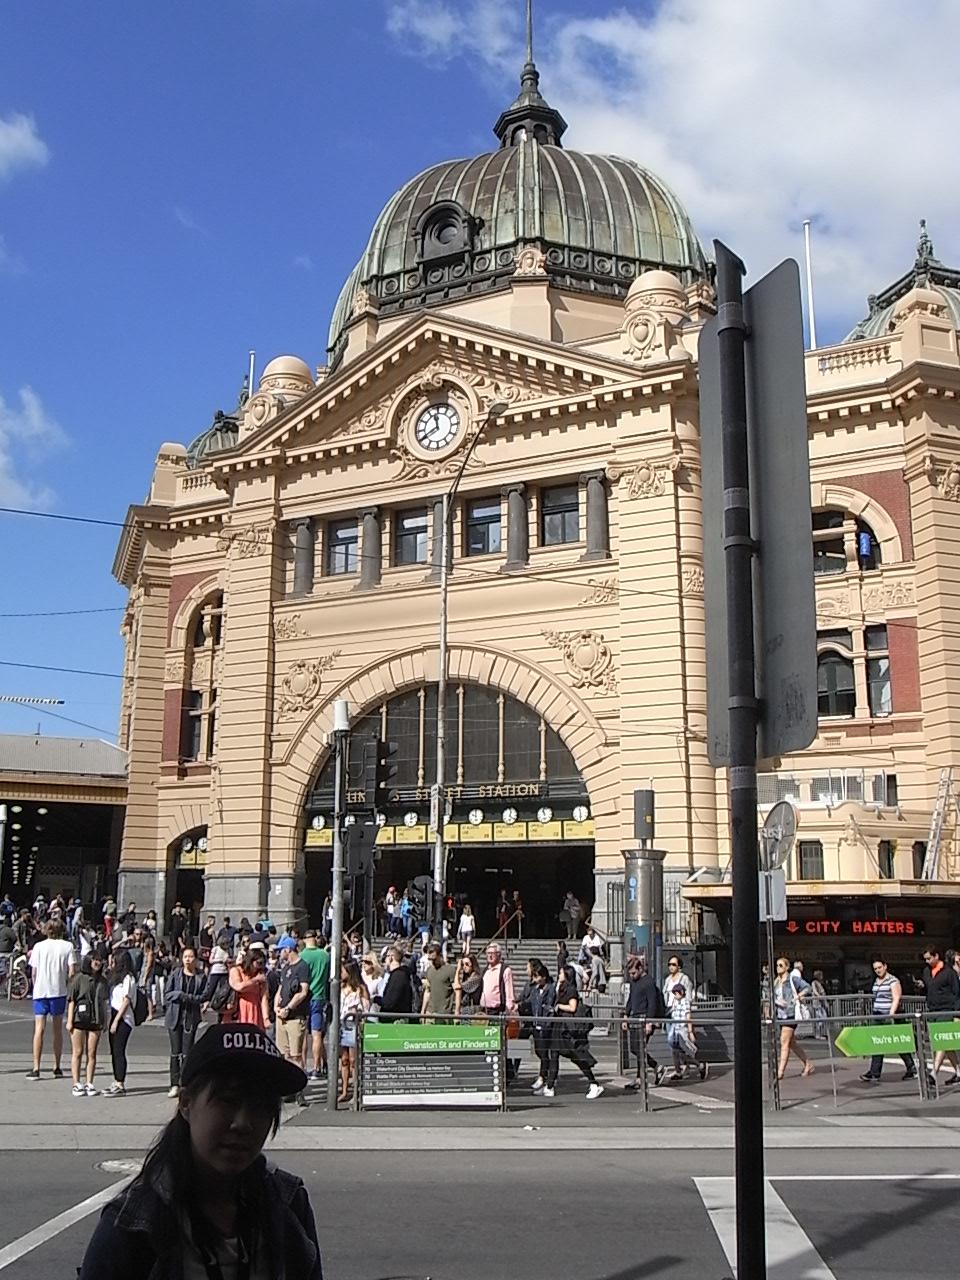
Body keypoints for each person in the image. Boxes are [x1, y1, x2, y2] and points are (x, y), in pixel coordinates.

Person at [78, 1022, 321, 1279]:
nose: (243, 1123)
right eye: (227, 1100)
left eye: (261, 1106)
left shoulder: (288, 1203)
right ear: (186, 1103)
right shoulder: (133, 1221)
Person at [538, 964, 603, 1099]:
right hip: (559, 1026)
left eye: (561, 973)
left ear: (567, 975)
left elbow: (573, 1007)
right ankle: (549, 1086)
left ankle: (594, 1083)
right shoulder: (561, 988)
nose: (559, 975)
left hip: (565, 1028)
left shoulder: (571, 990)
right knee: (554, 1054)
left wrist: (559, 1006)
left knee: (576, 1056)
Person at [26, 918, 76, 1080]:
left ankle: (36, 1067)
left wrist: (36, 986)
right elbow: (72, 971)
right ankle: (57, 1066)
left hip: (41, 991)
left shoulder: (38, 947)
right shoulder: (67, 946)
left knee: (39, 1029)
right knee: (57, 1030)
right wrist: (66, 982)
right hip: (58, 990)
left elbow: (34, 972)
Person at [859, 955, 917, 1085]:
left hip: (890, 1016)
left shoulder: (893, 980)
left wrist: (891, 1015)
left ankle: (911, 1068)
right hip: (877, 1015)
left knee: (898, 1043)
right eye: (875, 969)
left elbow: (896, 998)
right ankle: (874, 1072)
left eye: (879, 967)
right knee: (877, 1043)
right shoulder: (876, 981)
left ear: (885, 966)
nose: (878, 970)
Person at [66, 952, 110, 1096]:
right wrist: (70, 1021)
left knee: (92, 1053)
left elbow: (104, 1003)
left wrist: (105, 1021)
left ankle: (89, 1083)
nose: (97, 962)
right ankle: (76, 1083)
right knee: (77, 1052)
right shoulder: (79, 978)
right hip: (79, 1018)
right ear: (89, 961)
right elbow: (72, 1000)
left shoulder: (103, 981)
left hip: (95, 1019)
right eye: (95, 960)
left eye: (99, 960)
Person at [165, 946, 205, 1098]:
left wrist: (191, 998)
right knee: (175, 1052)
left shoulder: (200, 976)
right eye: (185, 957)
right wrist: (180, 995)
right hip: (175, 1016)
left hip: (190, 1016)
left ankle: (185, 1083)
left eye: (191, 956)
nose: (188, 959)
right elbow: (167, 994)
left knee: (187, 1052)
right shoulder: (176, 974)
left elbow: (204, 995)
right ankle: (174, 1084)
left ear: (196, 959)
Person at [622, 954, 667, 1090]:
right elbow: (631, 999)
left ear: (640, 969)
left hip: (644, 1018)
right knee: (635, 1048)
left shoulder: (648, 982)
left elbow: (652, 1003)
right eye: (630, 974)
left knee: (639, 1048)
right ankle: (650, 1071)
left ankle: (646, 1074)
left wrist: (649, 1022)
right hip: (635, 1018)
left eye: (634, 973)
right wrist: (626, 1014)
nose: (632, 976)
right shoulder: (634, 982)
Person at [919, 945, 960, 1085]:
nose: (927, 961)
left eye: (929, 958)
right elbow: (929, 988)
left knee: (942, 1040)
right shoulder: (926, 971)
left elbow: (957, 992)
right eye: (925, 959)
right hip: (933, 1010)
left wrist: (956, 1013)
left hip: (946, 1010)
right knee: (944, 1042)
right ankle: (958, 1072)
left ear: (936, 956)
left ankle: (934, 1072)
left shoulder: (949, 972)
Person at [772, 954, 814, 1081]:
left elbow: (808, 987)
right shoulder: (776, 981)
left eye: (781, 965)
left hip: (791, 1014)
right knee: (791, 1043)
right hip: (780, 1014)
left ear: (787, 967)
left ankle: (780, 1072)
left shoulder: (792, 979)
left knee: (784, 1041)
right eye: (777, 965)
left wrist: (798, 996)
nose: (778, 968)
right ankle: (807, 1064)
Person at [275, 944, 311, 1080]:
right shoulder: (285, 968)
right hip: (281, 1017)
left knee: (296, 1055)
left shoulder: (302, 966)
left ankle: (299, 1085)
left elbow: (303, 992)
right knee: (284, 1054)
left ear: (288, 949)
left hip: (295, 1017)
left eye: (281, 950)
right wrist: (276, 1006)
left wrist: (288, 1008)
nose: (279, 953)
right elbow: (280, 989)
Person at [106, 948, 138, 1097]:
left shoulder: (128, 979)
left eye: (114, 960)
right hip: (114, 1013)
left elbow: (126, 1001)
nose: (112, 963)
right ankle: (116, 1079)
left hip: (124, 1017)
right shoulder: (115, 977)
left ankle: (120, 1083)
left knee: (119, 1050)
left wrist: (116, 1020)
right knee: (113, 1050)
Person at [299, 930, 331, 1081]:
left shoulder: (302, 956)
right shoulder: (325, 955)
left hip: (304, 997)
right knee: (317, 1034)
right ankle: (317, 1068)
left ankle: (303, 1066)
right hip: (320, 997)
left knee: (304, 1034)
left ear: (305, 939)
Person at [338, 961, 369, 1103]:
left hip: (353, 1024)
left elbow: (366, 1008)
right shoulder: (340, 987)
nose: (341, 973)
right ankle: (344, 1090)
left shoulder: (360, 989)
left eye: (343, 971)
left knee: (353, 1060)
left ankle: (357, 1091)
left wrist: (358, 1012)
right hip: (341, 1024)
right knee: (344, 1059)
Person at [665, 981, 707, 1082]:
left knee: (682, 1051)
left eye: (677, 993)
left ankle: (699, 1065)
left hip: (682, 1029)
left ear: (681, 992)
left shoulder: (685, 1002)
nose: (675, 995)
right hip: (675, 1029)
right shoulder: (675, 1002)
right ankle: (678, 1071)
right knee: (675, 1051)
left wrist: (690, 1031)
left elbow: (688, 1017)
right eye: (674, 993)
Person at [228, 951, 271, 1029]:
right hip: (239, 1007)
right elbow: (239, 987)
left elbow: (264, 997)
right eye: (259, 963)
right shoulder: (236, 970)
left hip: (256, 1008)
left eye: (263, 963)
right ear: (250, 961)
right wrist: (255, 980)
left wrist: (266, 1018)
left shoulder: (260, 974)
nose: (261, 966)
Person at [420, 942, 457, 1018]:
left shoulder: (450, 970)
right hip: (430, 1012)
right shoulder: (429, 970)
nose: (432, 962)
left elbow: (457, 991)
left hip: (444, 1013)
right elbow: (427, 991)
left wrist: (457, 1011)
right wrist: (423, 1010)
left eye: (434, 959)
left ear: (440, 956)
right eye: (430, 959)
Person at [480, 941, 516, 1016]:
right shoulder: (485, 970)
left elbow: (509, 992)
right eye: (488, 953)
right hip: (484, 1010)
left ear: (498, 954)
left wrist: (509, 1009)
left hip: (497, 1011)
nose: (490, 956)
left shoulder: (505, 970)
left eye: (492, 953)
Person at [379, 946, 414, 1022]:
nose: (385, 960)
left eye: (386, 956)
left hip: (395, 1020)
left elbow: (390, 1002)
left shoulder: (398, 976)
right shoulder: (400, 974)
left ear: (391, 957)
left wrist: (377, 999)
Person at [579, 925, 608, 993]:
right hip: (603, 982)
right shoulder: (600, 960)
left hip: (599, 983)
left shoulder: (595, 960)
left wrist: (590, 982)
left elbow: (595, 972)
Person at [453, 953, 483, 1019]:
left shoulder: (476, 977)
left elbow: (457, 986)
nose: (464, 967)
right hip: (466, 1009)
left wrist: (458, 970)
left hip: (473, 1010)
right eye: (463, 964)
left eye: (467, 964)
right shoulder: (467, 977)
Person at [811, 969, 828, 1038]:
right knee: (819, 1019)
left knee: (823, 1018)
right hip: (817, 1003)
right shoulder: (814, 983)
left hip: (821, 1003)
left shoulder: (819, 983)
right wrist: (819, 996)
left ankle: (822, 1033)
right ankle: (818, 1034)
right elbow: (815, 991)